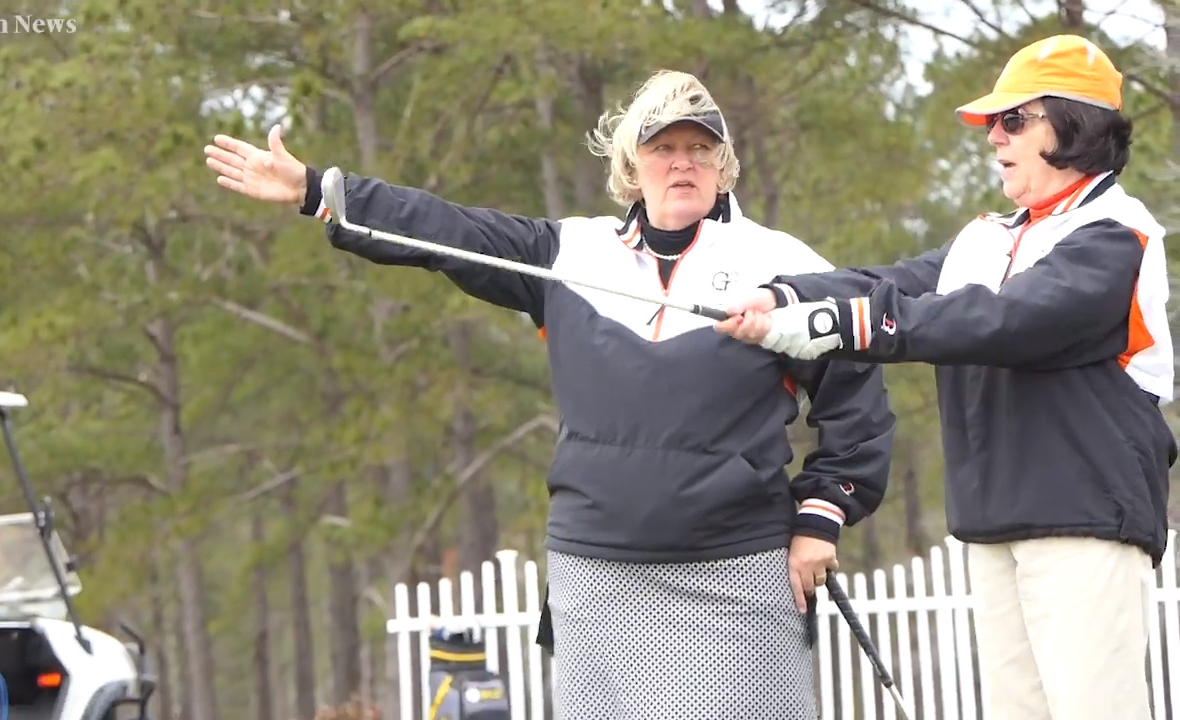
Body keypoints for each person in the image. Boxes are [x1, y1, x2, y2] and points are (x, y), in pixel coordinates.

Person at [204, 69, 897, 719]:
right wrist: (320, 190)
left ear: (723, 165)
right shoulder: (570, 253)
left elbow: (855, 398)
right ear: (633, 166)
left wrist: (820, 517)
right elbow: (445, 232)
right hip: (595, 573)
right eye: (663, 149)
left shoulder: (787, 265)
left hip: (735, 569)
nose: (682, 163)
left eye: (699, 148)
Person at [716, 34, 1174, 720]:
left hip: (1086, 519)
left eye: (1012, 119)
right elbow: (888, 282)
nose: (993, 136)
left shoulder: (1116, 233)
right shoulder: (987, 237)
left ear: (1074, 124)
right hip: (995, 521)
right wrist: (784, 297)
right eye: (993, 123)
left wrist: (846, 327)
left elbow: (1001, 322)